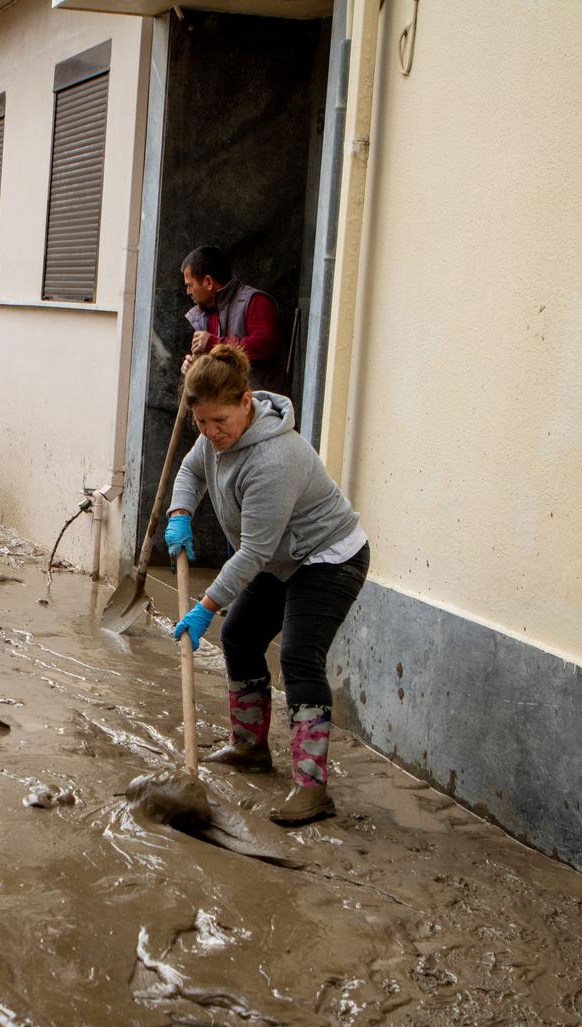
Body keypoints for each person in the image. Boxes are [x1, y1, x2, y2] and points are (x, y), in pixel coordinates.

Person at [165, 343, 370, 825]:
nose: (213, 433)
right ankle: (250, 747)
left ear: (246, 402)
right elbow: (192, 470)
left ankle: (311, 787)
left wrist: (206, 606)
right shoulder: (212, 438)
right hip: (281, 558)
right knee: (240, 636)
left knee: (299, 655)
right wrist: (180, 512)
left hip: (327, 557)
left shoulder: (276, 458)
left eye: (221, 421)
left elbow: (253, 552)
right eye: (202, 423)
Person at [181, 246, 283, 393]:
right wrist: (195, 368)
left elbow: (265, 345)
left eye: (190, 285)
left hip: (260, 407)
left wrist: (214, 343)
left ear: (208, 282)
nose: (188, 292)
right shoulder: (205, 315)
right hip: (223, 406)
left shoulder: (256, 301)